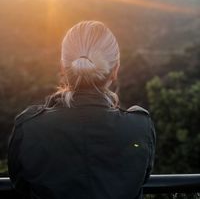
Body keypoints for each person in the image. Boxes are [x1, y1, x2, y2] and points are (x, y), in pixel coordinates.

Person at [7, 20, 156, 199]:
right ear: (115, 70)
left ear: (63, 68)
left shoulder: (29, 126)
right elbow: (142, 177)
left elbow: (20, 183)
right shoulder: (139, 127)